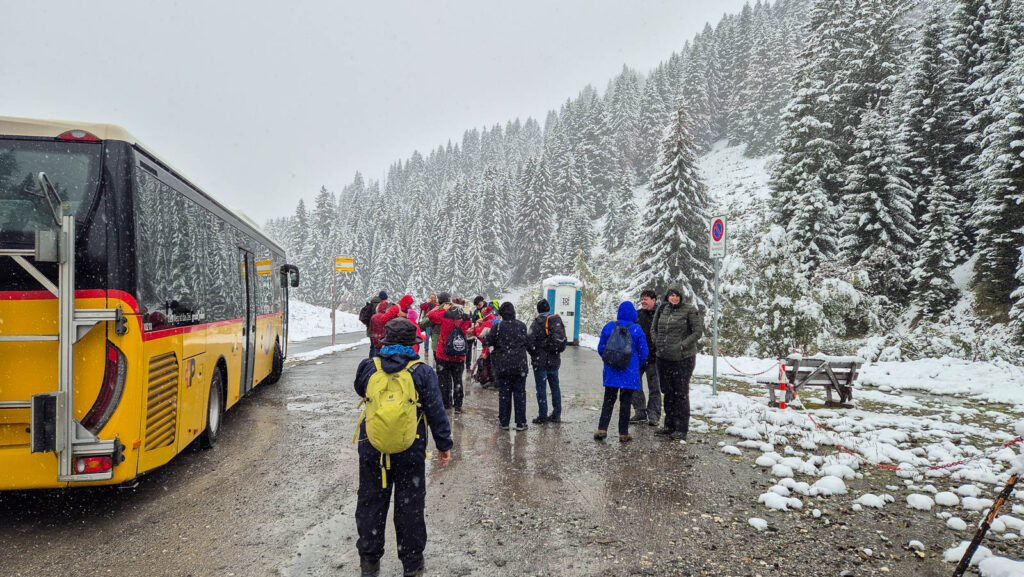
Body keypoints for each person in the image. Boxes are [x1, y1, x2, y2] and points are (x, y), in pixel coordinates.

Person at [353, 318, 452, 577]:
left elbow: (359, 390)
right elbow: (436, 411)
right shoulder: (422, 371)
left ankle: (369, 561)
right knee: (409, 507)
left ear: (384, 342)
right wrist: (444, 444)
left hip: (372, 448)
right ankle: (412, 564)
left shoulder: (368, 367)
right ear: (413, 344)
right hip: (411, 450)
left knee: (371, 503)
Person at [651, 287, 703, 441]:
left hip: (682, 359)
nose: (674, 298)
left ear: (681, 296)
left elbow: (697, 331)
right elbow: (653, 329)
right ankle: (669, 425)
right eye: (671, 295)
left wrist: (683, 345)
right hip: (663, 357)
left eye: (677, 295)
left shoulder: (689, 310)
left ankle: (681, 428)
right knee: (667, 392)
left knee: (680, 393)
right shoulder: (662, 309)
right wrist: (657, 342)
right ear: (667, 296)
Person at [595, 301, 649, 442]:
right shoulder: (637, 329)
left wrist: (610, 360)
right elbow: (644, 352)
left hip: (612, 370)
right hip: (629, 372)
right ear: (633, 314)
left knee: (608, 400)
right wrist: (636, 364)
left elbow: (601, 348)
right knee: (625, 402)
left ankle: (602, 429)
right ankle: (623, 433)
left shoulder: (609, 326)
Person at [485, 302, 530, 431]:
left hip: (503, 366)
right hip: (519, 366)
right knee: (520, 393)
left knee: (504, 393)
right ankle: (521, 422)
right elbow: (527, 342)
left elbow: (488, 341)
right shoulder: (522, 326)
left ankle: (504, 421)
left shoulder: (498, 326)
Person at [427, 298, 473, 412]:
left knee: (444, 380)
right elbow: (469, 325)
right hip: (459, 356)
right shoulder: (465, 320)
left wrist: (442, 309)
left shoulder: (444, 317)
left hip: (443, 355)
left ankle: (445, 403)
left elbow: (431, 316)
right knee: (458, 380)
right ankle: (458, 405)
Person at [526, 299, 566, 424]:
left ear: (538, 310)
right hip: (554, 360)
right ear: (549, 309)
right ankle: (556, 414)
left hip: (540, 362)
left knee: (541, 389)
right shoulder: (556, 320)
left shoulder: (536, 323)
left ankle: (542, 415)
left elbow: (529, 342)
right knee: (555, 387)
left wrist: (535, 354)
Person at [630, 289, 663, 427]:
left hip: (655, 357)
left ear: (654, 300)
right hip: (638, 357)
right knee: (634, 384)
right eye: (642, 299)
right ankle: (640, 412)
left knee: (654, 387)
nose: (643, 301)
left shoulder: (660, 315)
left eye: (646, 299)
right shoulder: (637, 315)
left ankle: (654, 415)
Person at [359, 291, 386, 357]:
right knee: (376, 347)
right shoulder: (379, 305)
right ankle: (374, 362)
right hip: (377, 330)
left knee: (372, 347)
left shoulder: (371, 304)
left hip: (370, 329)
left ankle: (370, 361)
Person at [418, 294, 439, 361]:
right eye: (431, 298)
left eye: (433, 298)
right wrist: (427, 302)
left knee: (434, 337)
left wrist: (437, 304)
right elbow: (421, 307)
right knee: (427, 337)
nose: (432, 299)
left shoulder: (437, 305)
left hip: (434, 323)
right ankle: (426, 350)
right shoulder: (427, 304)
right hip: (428, 322)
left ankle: (434, 351)